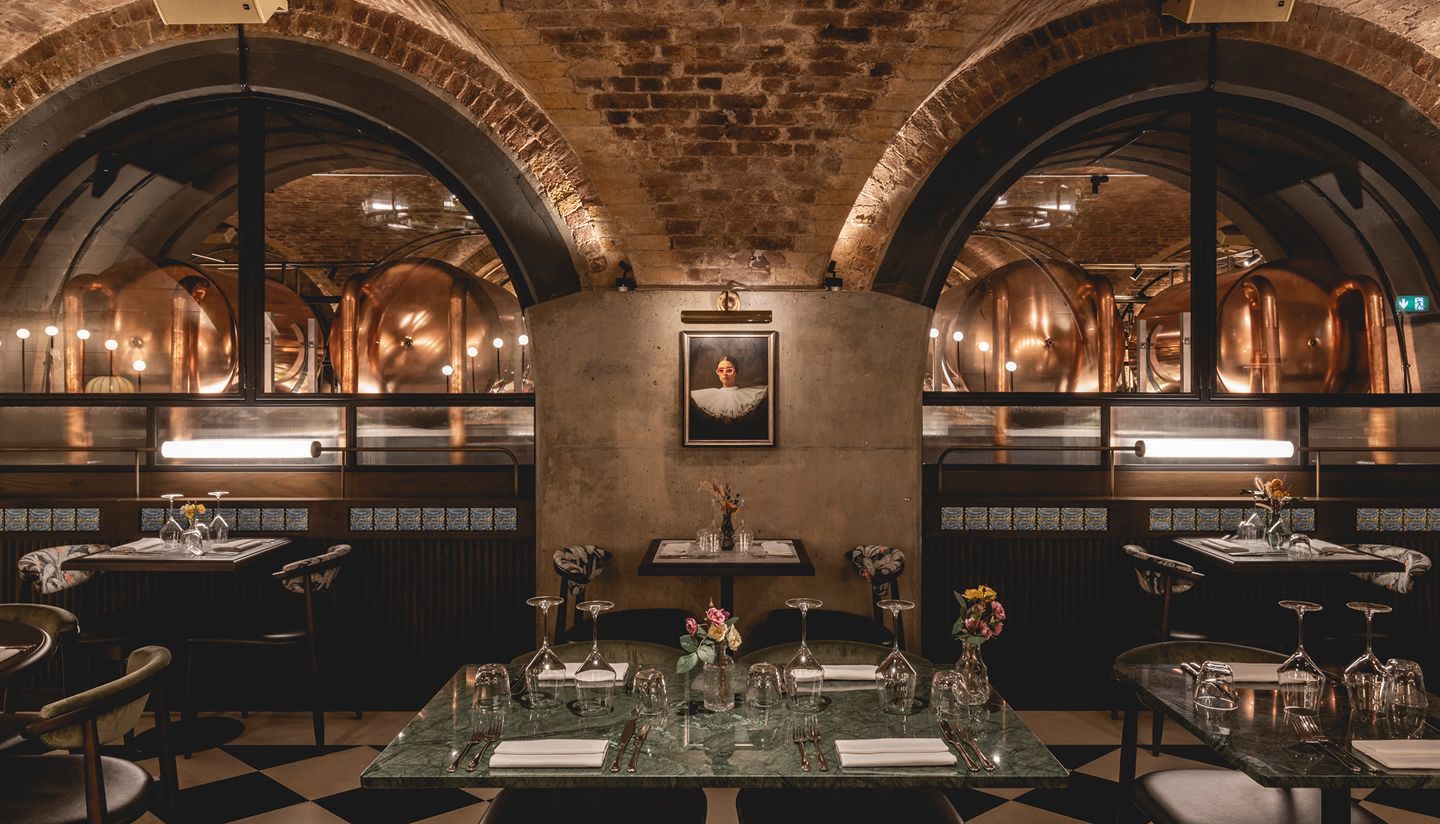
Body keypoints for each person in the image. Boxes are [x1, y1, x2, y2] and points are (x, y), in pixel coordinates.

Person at [689, 354, 767, 424]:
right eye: (721, 370)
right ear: (717, 372)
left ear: (735, 371)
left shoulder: (748, 396)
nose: (724, 374)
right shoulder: (711, 396)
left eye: (729, 370)